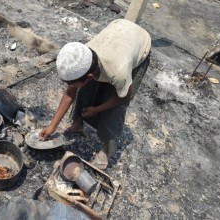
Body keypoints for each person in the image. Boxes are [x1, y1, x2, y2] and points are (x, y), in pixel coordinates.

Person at [39, 19, 151, 170]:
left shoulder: (119, 71)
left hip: (138, 41)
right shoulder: (82, 58)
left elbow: (124, 96)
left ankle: (106, 150)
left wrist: (97, 110)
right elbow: (70, 92)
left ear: (90, 76)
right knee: (84, 89)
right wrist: (53, 125)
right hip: (118, 29)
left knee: (115, 109)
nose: (69, 87)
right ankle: (78, 124)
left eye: (72, 83)